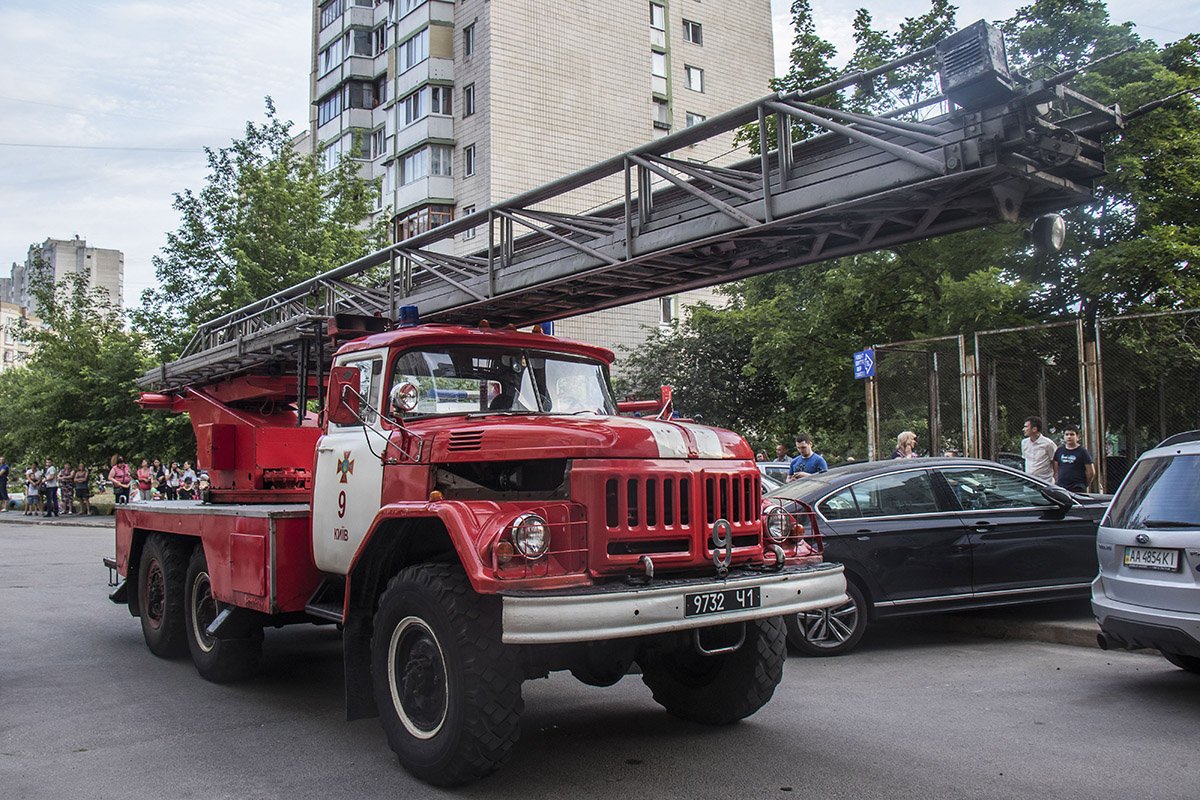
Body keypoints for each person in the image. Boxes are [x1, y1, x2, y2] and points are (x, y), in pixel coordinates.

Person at [1053, 424, 1096, 492]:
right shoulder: (1059, 451)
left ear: (1077, 437)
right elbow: (1056, 469)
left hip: (1077, 487)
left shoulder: (1083, 452)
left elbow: (1091, 472)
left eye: (1072, 434)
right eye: (1066, 434)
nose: (1069, 437)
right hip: (1061, 487)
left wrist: (1084, 485)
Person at [1021, 416, 1058, 483]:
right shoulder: (1024, 443)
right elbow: (1024, 460)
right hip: (1029, 482)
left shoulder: (1048, 444)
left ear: (1034, 429)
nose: (1023, 429)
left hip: (1045, 482)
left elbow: (1055, 461)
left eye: (1026, 427)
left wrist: (1056, 478)